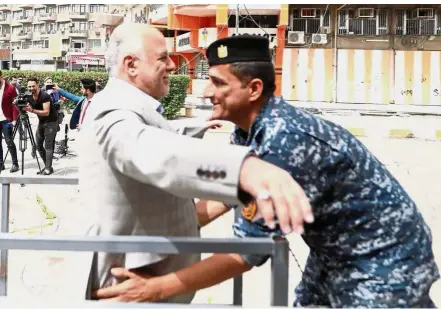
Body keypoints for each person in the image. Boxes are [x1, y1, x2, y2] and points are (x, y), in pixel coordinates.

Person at [95, 35, 440, 308]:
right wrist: (172, 228)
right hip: (336, 254)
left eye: (217, 83)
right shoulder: (249, 127)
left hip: (387, 259)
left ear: (253, 90)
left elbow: (249, 250)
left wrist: (157, 288)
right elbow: (233, 195)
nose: (205, 91)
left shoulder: (282, 140)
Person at [77, 24, 313, 303]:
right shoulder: (113, 110)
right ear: (131, 65)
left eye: (219, 82)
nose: (172, 66)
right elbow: (148, 149)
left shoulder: (129, 106)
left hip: (145, 280)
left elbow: (159, 135)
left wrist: (199, 129)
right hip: (125, 286)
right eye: (163, 58)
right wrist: (243, 169)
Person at [23, 78, 59, 175]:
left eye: (33, 86)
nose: (31, 88)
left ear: (37, 85)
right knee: (38, 145)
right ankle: (48, 166)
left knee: (48, 145)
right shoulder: (28, 96)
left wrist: (32, 110)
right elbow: (23, 106)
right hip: (41, 122)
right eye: (29, 86)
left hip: (51, 121)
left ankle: (47, 168)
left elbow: (46, 112)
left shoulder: (44, 96)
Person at [0, 71, 19, 173]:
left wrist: (15, 119)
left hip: (6, 120)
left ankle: (15, 163)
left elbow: (15, 105)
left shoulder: (10, 88)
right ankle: (1, 164)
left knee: (9, 142)